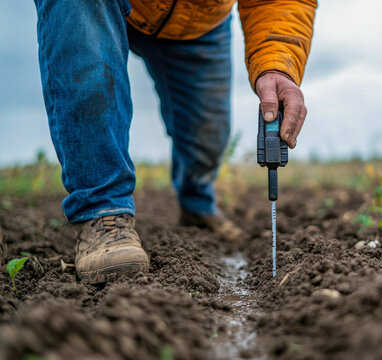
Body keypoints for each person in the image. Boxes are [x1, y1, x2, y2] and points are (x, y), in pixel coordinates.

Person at [33, 0, 316, 284]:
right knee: (88, 72)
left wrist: (277, 66)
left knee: (207, 138)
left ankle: (197, 204)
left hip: (198, 19)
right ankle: (103, 210)